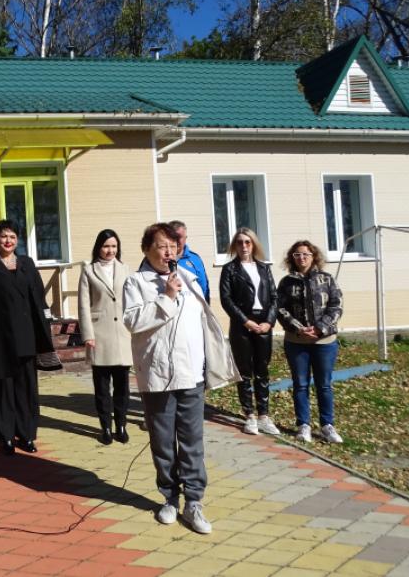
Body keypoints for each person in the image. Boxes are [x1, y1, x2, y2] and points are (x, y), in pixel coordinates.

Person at [123, 223, 240, 534]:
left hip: (190, 373)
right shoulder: (136, 282)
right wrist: (166, 297)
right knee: (163, 443)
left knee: (192, 442)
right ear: (146, 249)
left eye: (173, 247)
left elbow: (203, 322)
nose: (168, 252)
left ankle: (194, 502)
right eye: (162, 246)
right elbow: (132, 321)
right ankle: (169, 498)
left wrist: (207, 362)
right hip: (157, 375)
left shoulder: (188, 278)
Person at [0, 219, 55, 455]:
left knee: (26, 388)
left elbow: (40, 298)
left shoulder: (27, 264)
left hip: (26, 337)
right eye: (4, 236)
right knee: (2, 387)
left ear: (18, 240)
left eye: (12, 237)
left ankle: (26, 435)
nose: (8, 241)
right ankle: (5, 436)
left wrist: (45, 329)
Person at [276, 240, 344, 445]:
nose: (301, 258)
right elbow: (280, 309)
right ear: (292, 258)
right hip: (296, 342)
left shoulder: (327, 279)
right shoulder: (286, 282)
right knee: (300, 384)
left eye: (305, 254)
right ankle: (303, 425)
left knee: (324, 385)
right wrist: (298, 328)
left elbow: (336, 306)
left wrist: (319, 328)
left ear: (313, 256)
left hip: (324, 342)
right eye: (297, 254)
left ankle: (327, 425)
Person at [218, 228, 280, 436]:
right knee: (244, 372)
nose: (244, 246)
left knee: (262, 371)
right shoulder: (230, 269)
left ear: (254, 244)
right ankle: (250, 416)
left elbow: (274, 297)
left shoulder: (264, 268)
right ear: (234, 246)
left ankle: (264, 415)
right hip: (242, 325)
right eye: (239, 242)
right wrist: (245, 321)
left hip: (263, 325)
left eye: (247, 242)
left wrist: (269, 322)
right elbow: (226, 299)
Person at [77, 229, 133, 445]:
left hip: (123, 335)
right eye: (106, 246)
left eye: (114, 246)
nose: (110, 250)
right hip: (99, 334)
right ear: (98, 247)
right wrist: (87, 335)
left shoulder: (126, 269)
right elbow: (83, 305)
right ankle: (106, 427)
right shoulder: (89, 271)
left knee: (122, 386)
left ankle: (121, 425)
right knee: (101, 387)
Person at [169, 220, 210, 302]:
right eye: (173, 237)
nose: (176, 240)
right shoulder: (160, 260)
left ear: (185, 238)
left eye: (179, 237)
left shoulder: (195, 259)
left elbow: (204, 287)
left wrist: (204, 307)